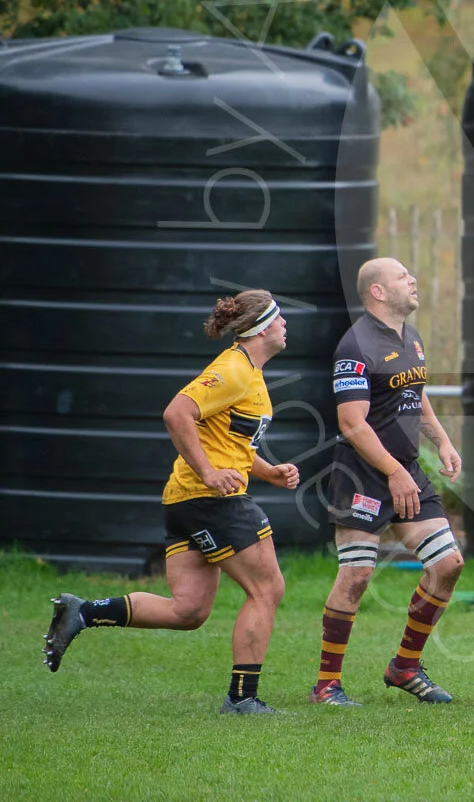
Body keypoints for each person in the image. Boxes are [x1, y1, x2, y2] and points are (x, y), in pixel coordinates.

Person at [44, 290, 299, 715]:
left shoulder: (250, 373)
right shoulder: (234, 369)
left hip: (186, 499)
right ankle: (242, 699)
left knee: (189, 610)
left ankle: (82, 612)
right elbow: (177, 413)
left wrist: (270, 472)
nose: (286, 324)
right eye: (280, 318)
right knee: (268, 588)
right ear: (261, 328)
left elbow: (228, 443)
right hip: (210, 499)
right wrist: (209, 473)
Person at [312, 258, 464, 707]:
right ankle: (326, 686)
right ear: (377, 292)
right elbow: (352, 423)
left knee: (448, 565)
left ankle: (404, 667)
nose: (413, 280)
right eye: (402, 277)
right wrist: (393, 472)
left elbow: (416, 394)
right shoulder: (355, 345)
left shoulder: (410, 338)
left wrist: (442, 442)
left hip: (407, 468)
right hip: (363, 471)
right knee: (357, 574)